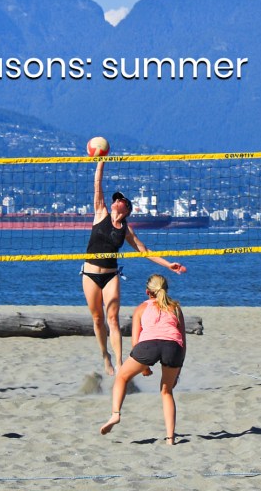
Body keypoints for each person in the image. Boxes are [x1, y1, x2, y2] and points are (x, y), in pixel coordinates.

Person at [82, 160, 186, 376]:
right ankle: (105, 357)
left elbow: (144, 250)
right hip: (90, 273)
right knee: (97, 318)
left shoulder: (126, 230)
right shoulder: (100, 212)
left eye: (119, 199)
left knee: (112, 319)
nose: (115, 200)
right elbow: (97, 186)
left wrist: (169, 264)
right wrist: (100, 163)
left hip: (111, 275)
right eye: (115, 199)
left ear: (126, 208)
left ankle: (120, 364)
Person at [99, 274, 186, 445]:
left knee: (122, 376)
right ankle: (170, 439)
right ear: (165, 290)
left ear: (147, 292)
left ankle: (115, 414)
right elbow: (183, 341)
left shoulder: (140, 308)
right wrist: (178, 370)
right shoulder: (176, 308)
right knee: (167, 391)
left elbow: (136, 342)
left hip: (148, 346)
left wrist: (144, 366)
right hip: (173, 348)